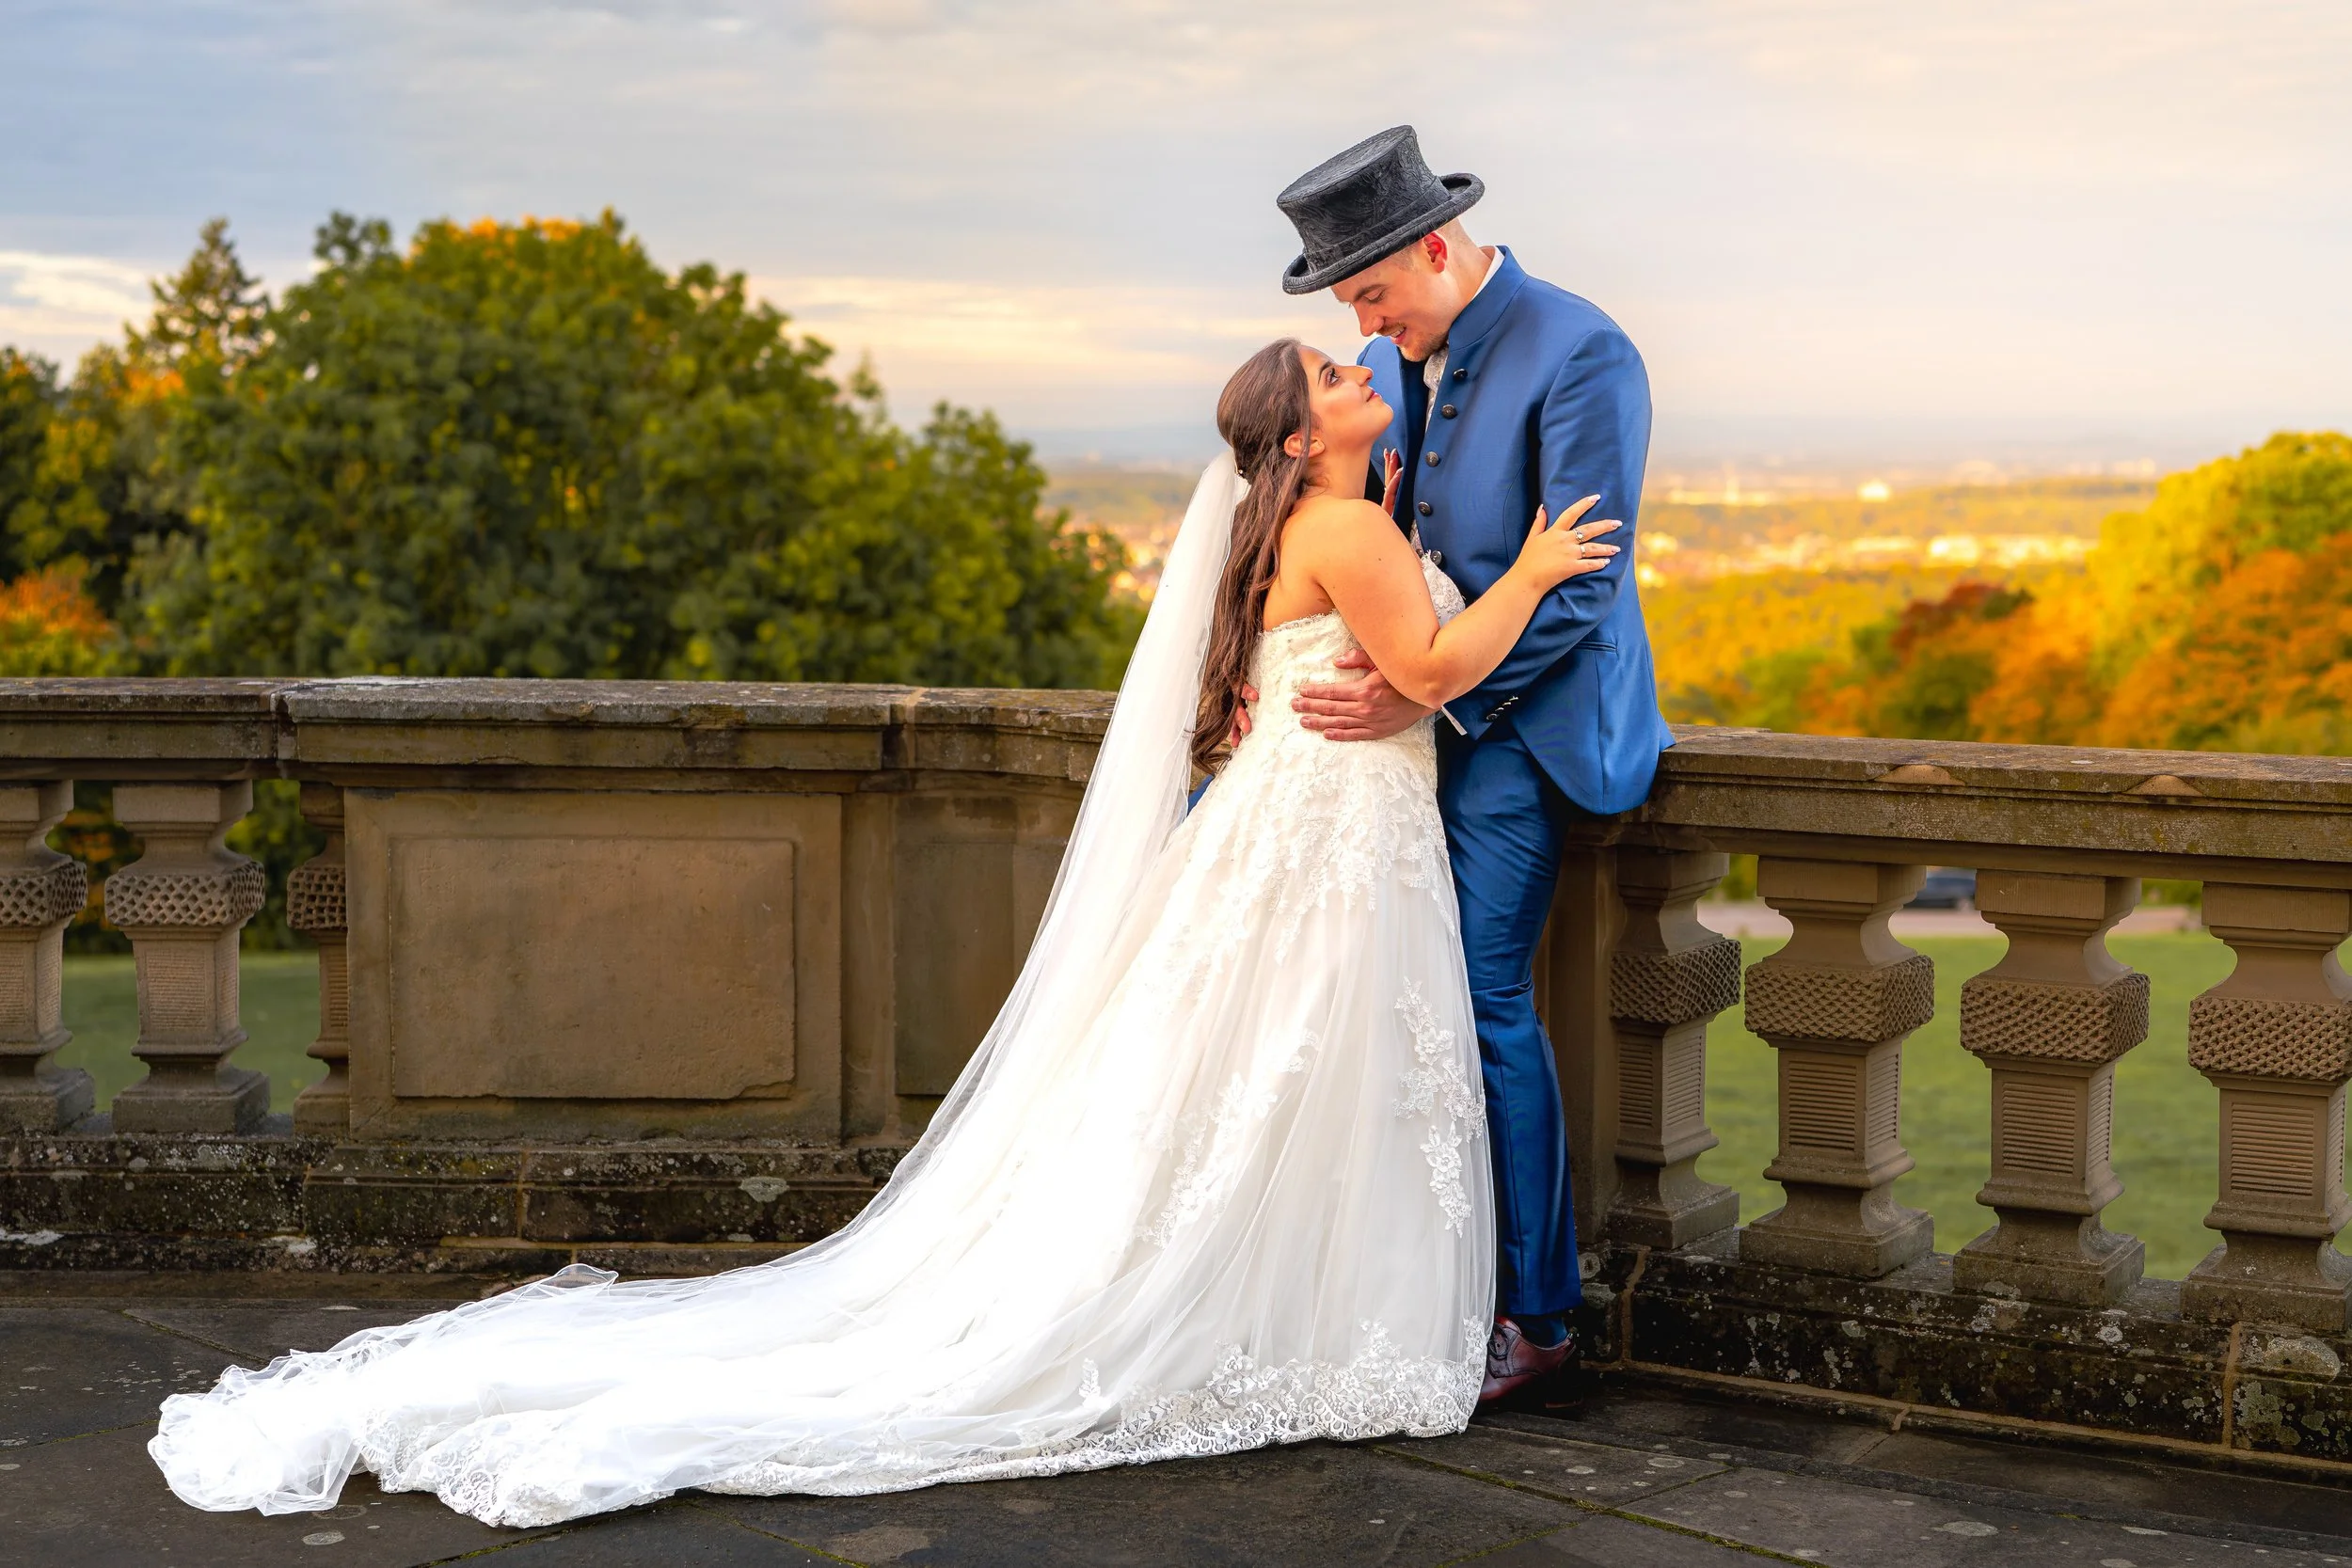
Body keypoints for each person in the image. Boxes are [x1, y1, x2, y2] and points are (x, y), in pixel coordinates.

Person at [148, 338, 1620, 1528]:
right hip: (1331, 847)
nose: (1359, 370)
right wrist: (1538, 576)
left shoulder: (1294, 521)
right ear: (1302, 437)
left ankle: (1272, 1305)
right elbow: (1428, 659)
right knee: (1306, 1073)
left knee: (1259, 1083)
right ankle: (1299, 1316)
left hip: (1308, 831)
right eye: (1333, 376)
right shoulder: (1349, 522)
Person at [1267, 126, 1674, 1399]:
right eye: (1351, 309)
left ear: (1434, 247)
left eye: (1373, 294)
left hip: (1522, 731)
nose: (1368, 326)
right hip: (1403, 743)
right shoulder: (1400, 356)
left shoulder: (1584, 350)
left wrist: (1428, 687)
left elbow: (1581, 590)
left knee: (1481, 1001)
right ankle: (1399, 1278)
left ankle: (1536, 1314)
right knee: (1387, 1000)